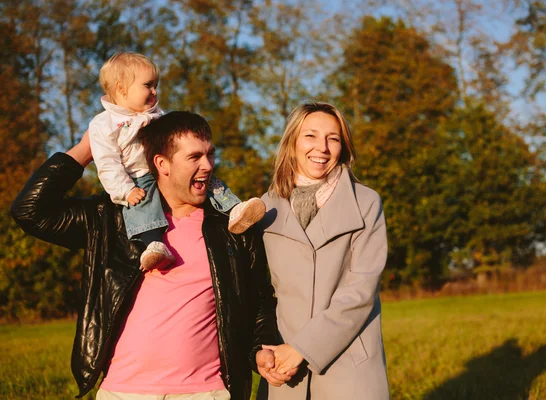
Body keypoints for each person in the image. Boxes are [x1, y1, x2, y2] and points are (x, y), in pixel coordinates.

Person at [11, 111, 295, 399]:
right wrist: (88, 148)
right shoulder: (112, 219)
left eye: (210, 154)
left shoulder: (232, 228)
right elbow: (31, 212)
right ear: (162, 163)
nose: (208, 166)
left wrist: (261, 347)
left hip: (207, 392)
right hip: (123, 392)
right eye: (194, 157)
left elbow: (259, 299)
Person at [257, 102, 390, 399]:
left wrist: (303, 348)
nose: (323, 148)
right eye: (311, 136)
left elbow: (361, 291)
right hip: (282, 368)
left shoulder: (366, 203)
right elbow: (257, 291)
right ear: (292, 142)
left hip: (348, 366)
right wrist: (260, 351)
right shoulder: (264, 208)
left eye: (333, 138)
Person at [89, 51, 265, 272]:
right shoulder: (104, 124)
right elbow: (107, 163)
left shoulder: (157, 115)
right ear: (121, 88)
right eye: (148, 85)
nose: (154, 91)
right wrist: (124, 191)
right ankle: (154, 244)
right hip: (137, 177)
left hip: (167, 172)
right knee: (142, 206)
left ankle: (235, 210)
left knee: (212, 180)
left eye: (156, 85)